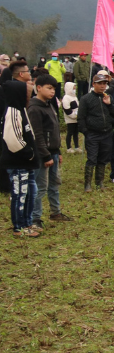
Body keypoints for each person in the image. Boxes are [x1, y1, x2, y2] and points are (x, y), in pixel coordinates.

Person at [1, 63, 41, 237]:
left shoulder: (22, 110)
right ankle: (19, 227)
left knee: (30, 193)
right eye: (27, 92)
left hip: (27, 163)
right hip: (18, 162)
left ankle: (27, 223)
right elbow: (12, 140)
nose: (30, 94)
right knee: (19, 195)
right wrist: (29, 153)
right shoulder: (12, 112)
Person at [29, 73, 71, 229]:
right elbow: (37, 135)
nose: (52, 91)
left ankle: (55, 211)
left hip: (53, 151)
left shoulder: (50, 105)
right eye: (49, 88)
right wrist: (46, 155)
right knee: (40, 186)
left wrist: (58, 151)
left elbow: (54, 131)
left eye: (54, 88)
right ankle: (35, 218)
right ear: (38, 88)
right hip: (42, 154)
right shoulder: (34, 108)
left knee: (54, 183)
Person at [77, 71, 114, 192]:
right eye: (100, 83)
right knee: (92, 158)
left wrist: (109, 104)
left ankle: (99, 182)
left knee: (103, 158)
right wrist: (86, 132)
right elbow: (81, 117)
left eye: (105, 83)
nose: (103, 86)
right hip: (93, 134)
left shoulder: (107, 97)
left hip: (107, 133)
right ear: (94, 84)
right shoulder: (86, 99)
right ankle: (87, 184)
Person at [62, 82, 82, 153]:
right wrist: (74, 115)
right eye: (73, 88)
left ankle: (76, 146)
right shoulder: (66, 98)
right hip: (70, 119)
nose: (74, 90)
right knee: (70, 133)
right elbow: (67, 109)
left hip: (76, 118)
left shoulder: (74, 97)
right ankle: (68, 147)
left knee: (76, 133)